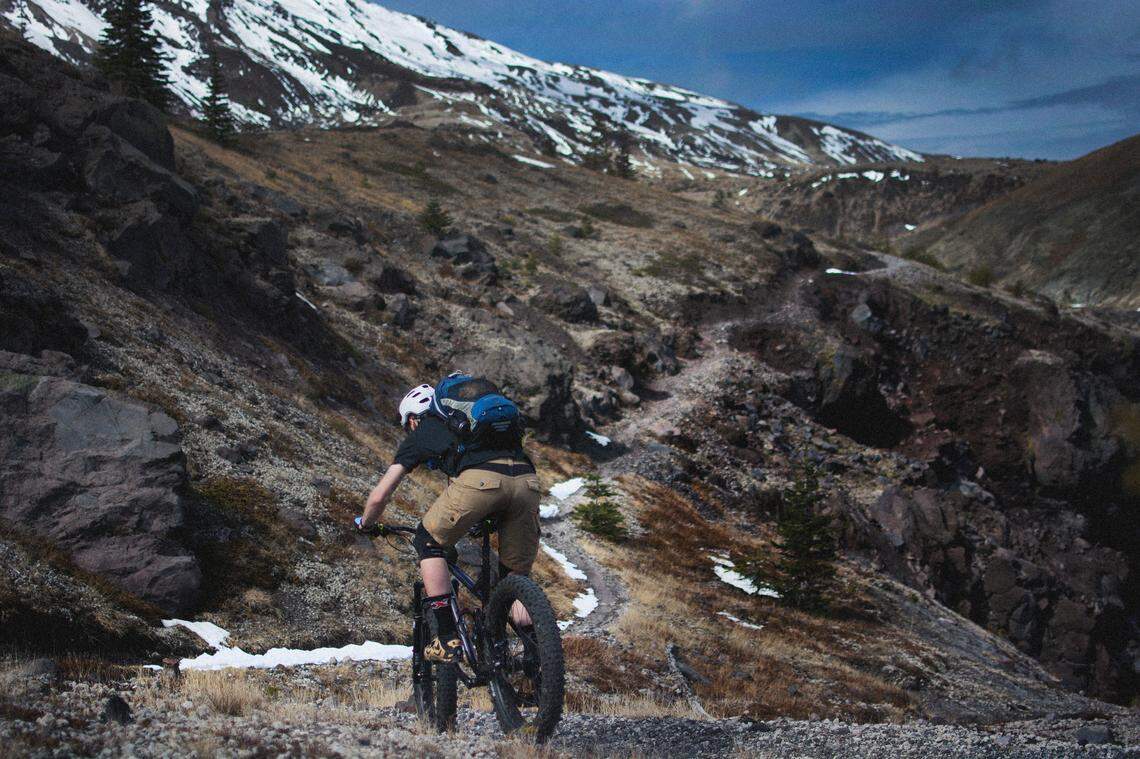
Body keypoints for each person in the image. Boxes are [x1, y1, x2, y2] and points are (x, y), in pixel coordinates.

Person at [356, 381, 541, 662]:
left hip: (481, 481)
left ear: (413, 420)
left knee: (427, 541)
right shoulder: (469, 427)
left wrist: (366, 523)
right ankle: (539, 664)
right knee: (514, 577)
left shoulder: (424, 431)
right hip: (527, 481)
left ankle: (446, 638)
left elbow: (380, 496)